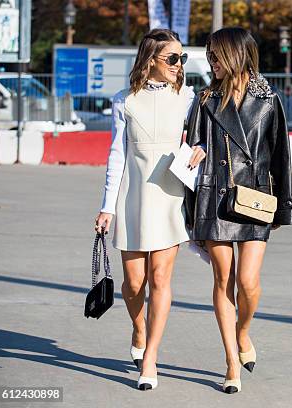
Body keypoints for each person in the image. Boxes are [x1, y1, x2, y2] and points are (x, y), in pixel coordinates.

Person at [184, 26, 292, 394]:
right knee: (223, 281)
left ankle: (243, 331)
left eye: (216, 55)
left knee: (248, 282)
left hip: (256, 198)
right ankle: (231, 362)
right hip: (214, 197)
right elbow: (191, 147)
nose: (211, 61)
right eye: (210, 55)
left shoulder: (268, 99)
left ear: (235, 55)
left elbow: (281, 157)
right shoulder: (203, 101)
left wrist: (284, 207)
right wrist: (193, 152)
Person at [93, 28, 198, 391]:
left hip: (170, 196)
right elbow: (116, 155)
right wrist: (107, 206)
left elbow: (200, 142)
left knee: (160, 279)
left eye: (182, 58)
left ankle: (150, 358)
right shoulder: (124, 100)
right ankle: (139, 328)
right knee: (134, 283)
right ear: (151, 58)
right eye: (172, 58)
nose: (179, 65)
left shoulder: (187, 98)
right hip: (133, 197)